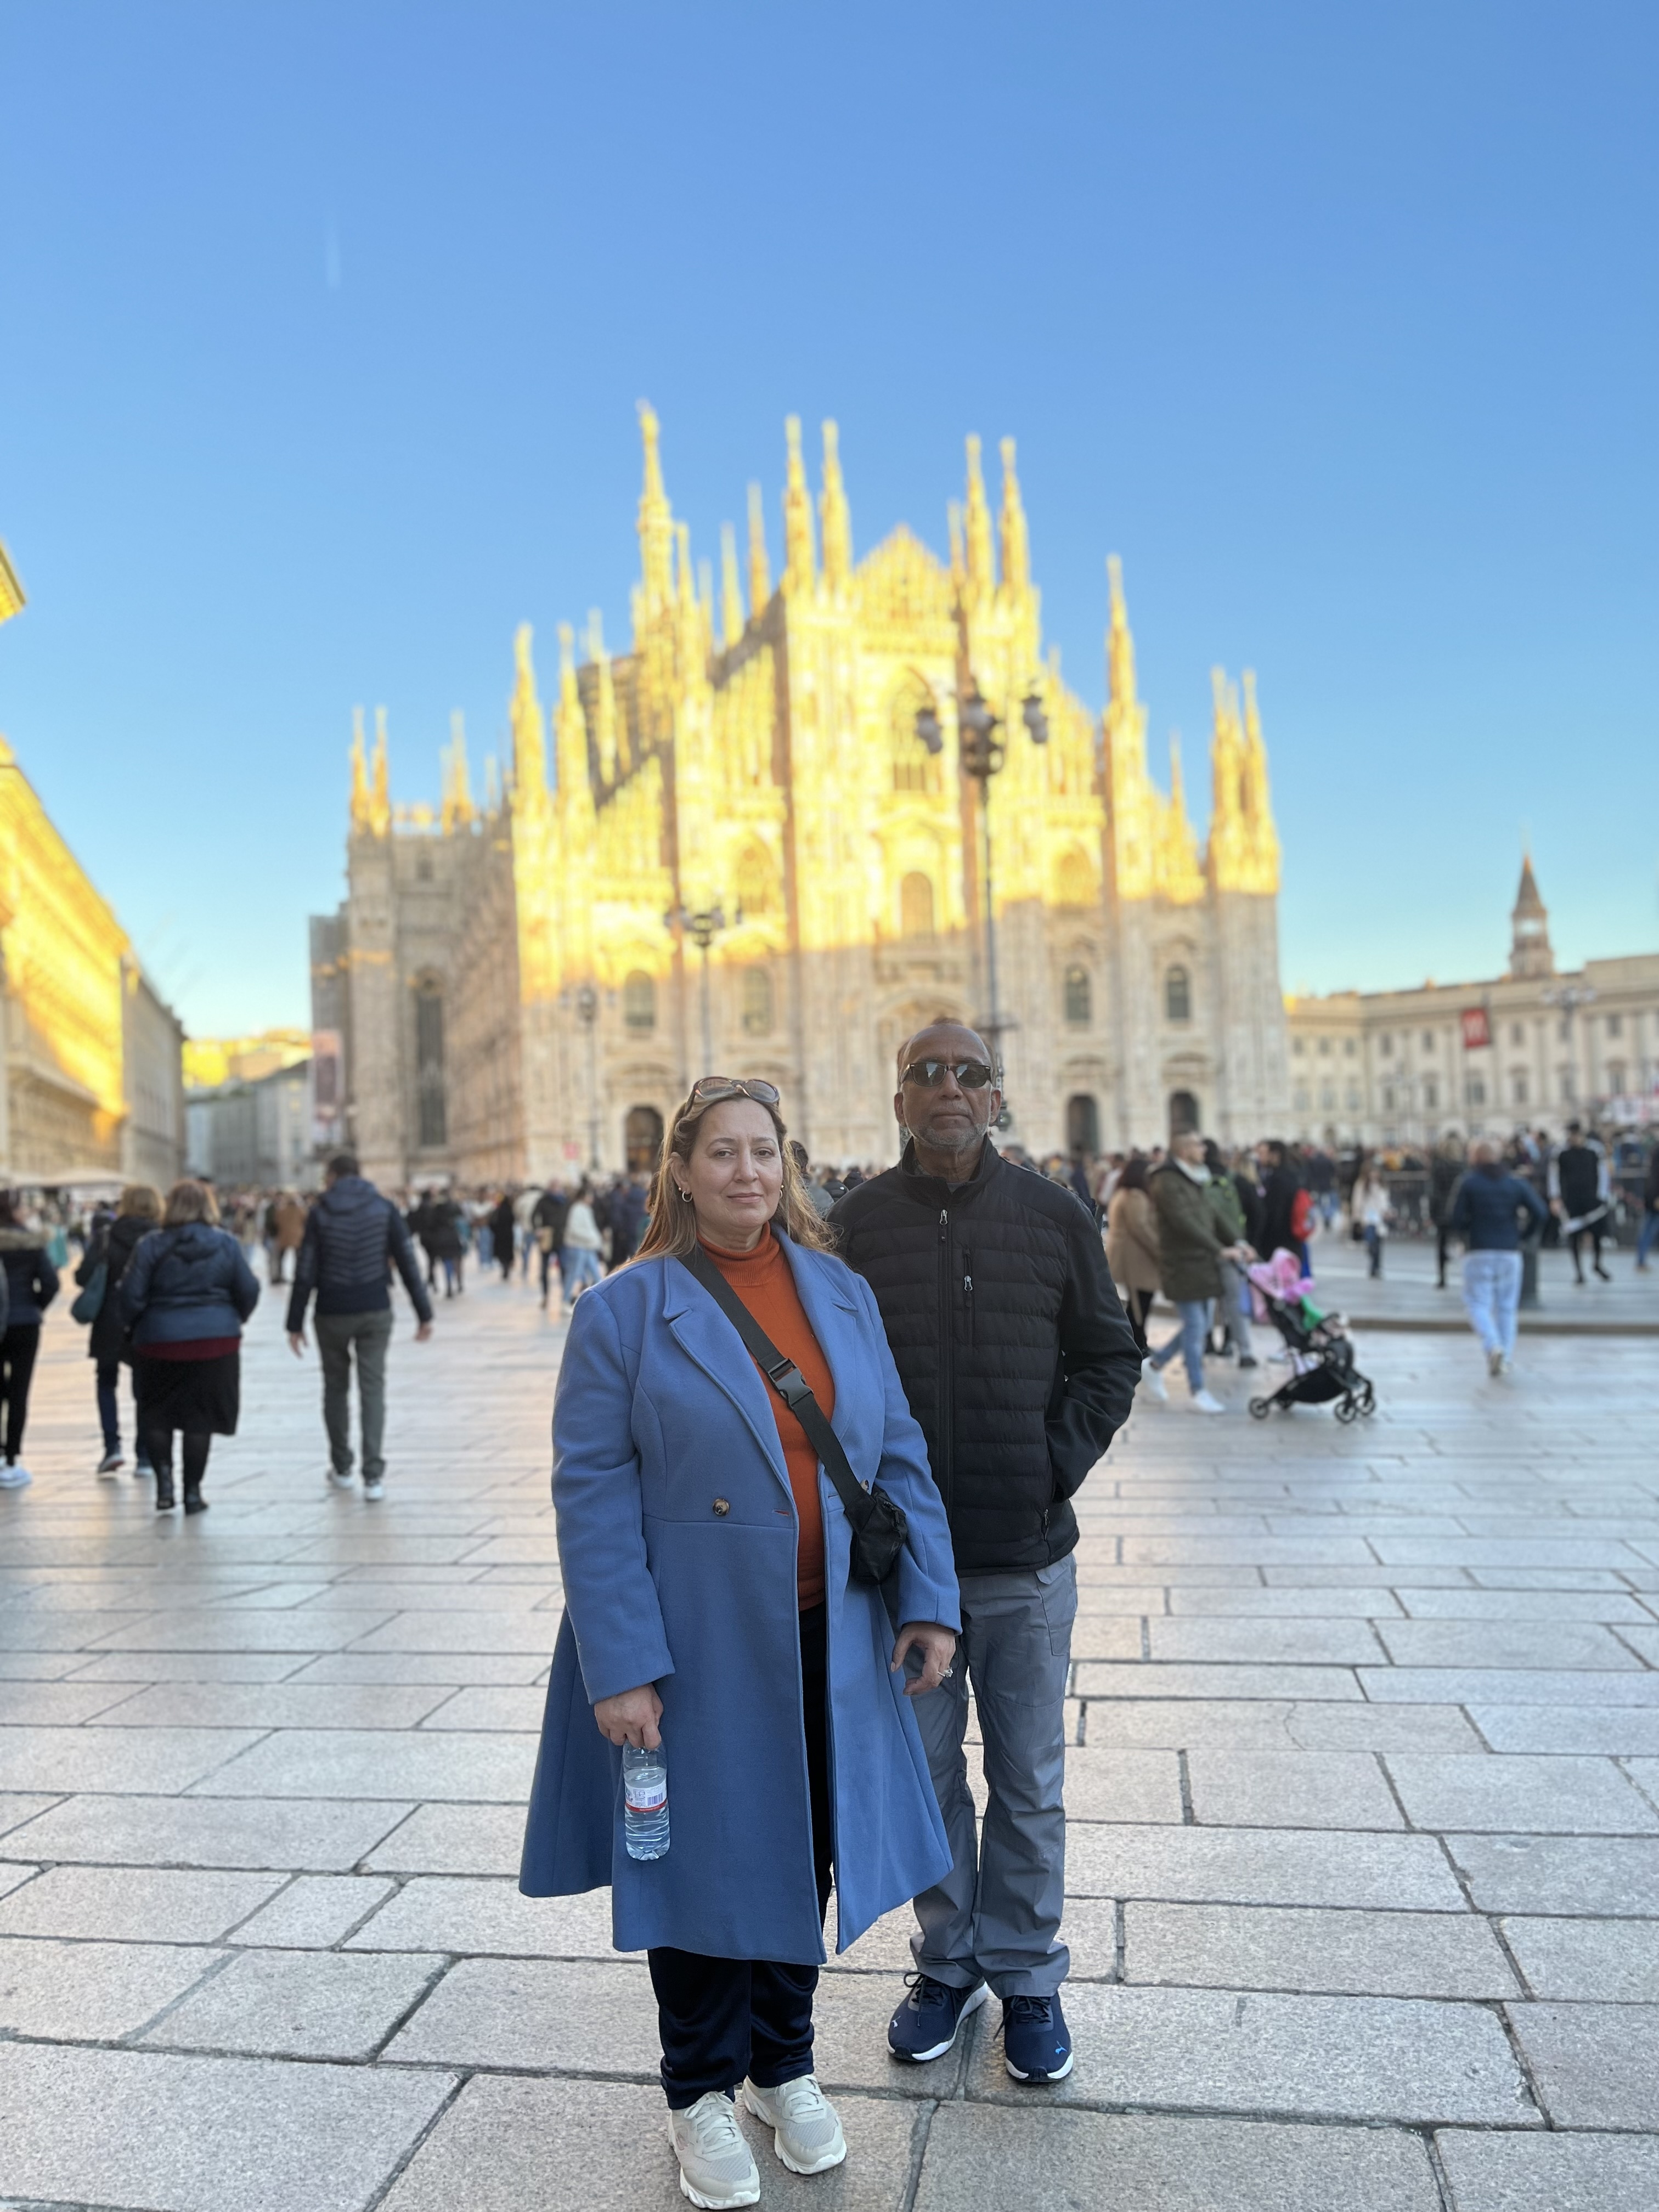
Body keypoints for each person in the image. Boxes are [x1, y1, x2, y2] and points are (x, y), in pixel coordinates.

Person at [521, 1076, 960, 2209]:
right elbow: (592, 1494)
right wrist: (619, 1667)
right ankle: (699, 2090)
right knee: (705, 1861)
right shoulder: (624, 1311)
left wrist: (929, 1599)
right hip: (698, 1640)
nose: (748, 1173)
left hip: (828, 1631)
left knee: (803, 1848)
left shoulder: (839, 1294)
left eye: (765, 1153)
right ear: (682, 1171)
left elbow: (895, 1453)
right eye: (722, 1153)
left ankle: (785, 2064)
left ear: (789, 1166)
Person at [832, 1024, 1140, 2086]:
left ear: (999, 1098)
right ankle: (947, 1963)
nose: (949, 1088)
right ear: (899, 1099)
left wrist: (1050, 1464)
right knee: (924, 1780)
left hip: (1023, 1558)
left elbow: (1110, 1355)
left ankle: (1028, 1977)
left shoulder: (1053, 1214)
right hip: (906, 1571)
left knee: (1028, 1778)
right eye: (926, 1072)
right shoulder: (856, 1225)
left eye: (968, 1073)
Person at [286, 1153, 435, 1500]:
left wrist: (294, 1323)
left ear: (333, 1176)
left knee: (335, 1387)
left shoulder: (321, 1212)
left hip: (332, 1309)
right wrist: (423, 1312)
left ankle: (341, 1467)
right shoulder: (383, 1207)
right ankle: (373, 1476)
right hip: (374, 1306)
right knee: (373, 1388)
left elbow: (306, 1269)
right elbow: (407, 1260)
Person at [121, 1180, 260, 1512]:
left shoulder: (150, 1245)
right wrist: (231, 1318)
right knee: (202, 1417)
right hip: (215, 1341)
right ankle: (193, 1492)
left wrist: (139, 1325)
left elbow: (131, 1295)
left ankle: (165, 1486)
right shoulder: (226, 1243)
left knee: (156, 1413)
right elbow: (249, 1289)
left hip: (159, 1340)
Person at [1142, 1133, 1246, 1414]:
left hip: (1201, 1262)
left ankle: (1155, 1365)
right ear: (1186, 1150)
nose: (1204, 1150)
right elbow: (1183, 1220)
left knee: (1200, 1326)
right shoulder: (1167, 1181)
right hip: (1182, 1263)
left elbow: (1212, 1213)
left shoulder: (1194, 1177)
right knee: (1197, 1326)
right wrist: (1219, 1248)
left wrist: (1238, 1241)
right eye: (1199, 1145)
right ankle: (1197, 1390)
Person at [75, 1183, 162, 1477]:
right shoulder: (160, 1238)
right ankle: (145, 1456)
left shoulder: (105, 1236)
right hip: (146, 1320)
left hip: (109, 1320)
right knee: (145, 1388)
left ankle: (112, 1447)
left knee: (106, 1382)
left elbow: (81, 1276)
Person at [1449, 1140, 1548, 1377]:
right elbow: (1540, 1212)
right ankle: (1506, 1355)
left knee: (1477, 1303)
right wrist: (1524, 1236)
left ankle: (1492, 1345)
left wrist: (1465, 1234)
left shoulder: (1470, 1183)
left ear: (1476, 1158)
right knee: (1507, 1307)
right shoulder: (1515, 1183)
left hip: (1479, 1249)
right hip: (1509, 1249)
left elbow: (1455, 1218)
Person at [0, 1192, 59, 1489]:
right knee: (20, 1392)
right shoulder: (32, 1244)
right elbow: (51, 1283)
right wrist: (35, 1305)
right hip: (24, 1323)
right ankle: (12, 1458)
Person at [1203, 1138, 1257, 1363]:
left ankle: (1205, 1344)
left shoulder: (1195, 1182)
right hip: (1234, 1249)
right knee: (1234, 1301)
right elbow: (1258, 1212)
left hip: (1204, 1250)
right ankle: (1240, 1349)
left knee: (1205, 1301)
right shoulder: (1236, 1180)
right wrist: (1245, 1241)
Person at [1104, 1154, 1160, 1356]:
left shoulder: (1123, 1193)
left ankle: (1139, 1341)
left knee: (1139, 1301)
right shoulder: (1135, 1196)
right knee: (1140, 1302)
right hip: (1135, 1256)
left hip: (1129, 1254)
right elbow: (1140, 1228)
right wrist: (1159, 1250)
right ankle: (1136, 1343)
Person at [1550, 1121, 1612, 1284]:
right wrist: (1555, 1197)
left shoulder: (1595, 1150)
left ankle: (1597, 1264)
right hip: (1572, 1199)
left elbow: (1603, 1173)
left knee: (1597, 1234)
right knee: (1574, 1237)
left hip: (1592, 1199)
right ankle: (1579, 1273)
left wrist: (1603, 1195)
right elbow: (1554, 1175)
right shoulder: (1561, 1152)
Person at [1257, 1140, 1310, 1271]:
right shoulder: (1292, 1174)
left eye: (1263, 1153)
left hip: (1281, 1246)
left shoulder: (1278, 1179)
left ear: (1275, 1155)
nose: (1260, 1158)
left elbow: (1275, 1215)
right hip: (1293, 1243)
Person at [1429, 1138, 1466, 1289]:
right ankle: (1466, 1275)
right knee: (1463, 1243)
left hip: (1443, 1209)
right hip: (1460, 1208)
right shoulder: (1464, 1167)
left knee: (1442, 1244)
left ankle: (1443, 1277)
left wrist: (1432, 1212)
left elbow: (1434, 1191)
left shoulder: (1439, 1167)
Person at [560, 1182, 604, 1300]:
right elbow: (575, 1229)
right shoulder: (577, 1209)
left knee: (597, 1275)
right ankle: (566, 1299)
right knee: (574, 1274)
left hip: (588, 1247)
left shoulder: (587, 1209)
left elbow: (591, 1228)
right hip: (578, 1247)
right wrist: (593, 1238)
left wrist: (596, 1240)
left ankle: (599, 1300)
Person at [531, 1181, 569, 1308]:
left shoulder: (565, 1201)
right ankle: (545, 1296)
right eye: (553, 1187)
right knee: (544, 1270)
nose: (556, 1189)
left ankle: (565, 1295)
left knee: (564, 1267)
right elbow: (534, 1216)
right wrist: (538, 1229)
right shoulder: (543, 1201)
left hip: (561, 1239)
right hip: (547, 1238)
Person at [1351, 1164, 1392, 1279]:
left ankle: (1376, 1267)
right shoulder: (1362, 1185)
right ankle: (1374, 1265)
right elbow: (1357, 1201)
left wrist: (1388, 1212)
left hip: (1379, 1218)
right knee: (1371, 1243)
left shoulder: (1382, 1186)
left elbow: (1385, 1201)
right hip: (1367, 1217)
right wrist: (1357, 1217)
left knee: (1379, 1245)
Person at [1637, 1139, 1659, 1274]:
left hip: (1652, 1196)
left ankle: (1641, 1260)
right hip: (1655, 1197)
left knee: (1647, 1229)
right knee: (1649, 1230)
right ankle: (1641, 1261)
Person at [488, 1189, 518, 1283]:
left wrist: (495, 1231)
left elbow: (492, 1223)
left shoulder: (498, 1211)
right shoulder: (510, 1211)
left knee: (502, 1254)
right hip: (508, 1235)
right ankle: (507, 1267)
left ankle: (504, 1267)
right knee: (508, 1253)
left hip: (500, 1235)